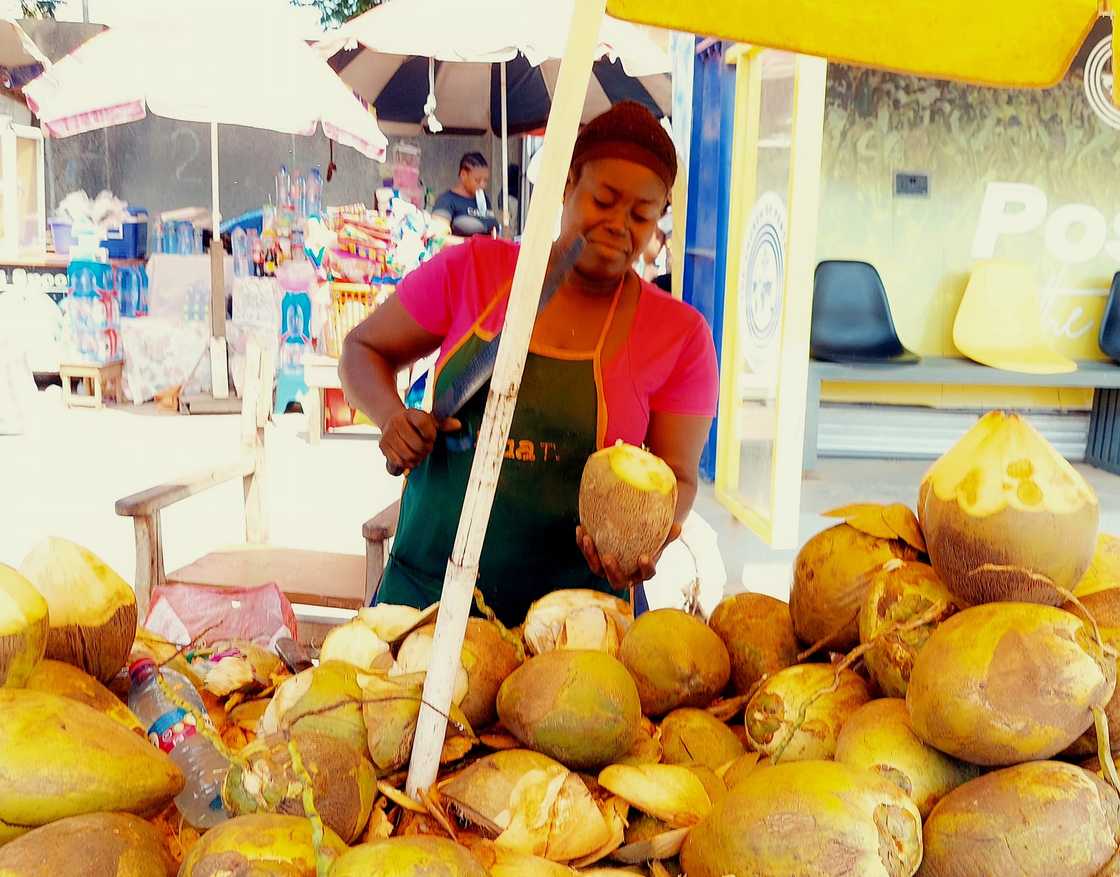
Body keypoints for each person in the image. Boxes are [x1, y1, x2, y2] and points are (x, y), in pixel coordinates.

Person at [340, 101, 718, 626]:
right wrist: (390, 416)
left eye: (640, 214)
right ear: (566, 185)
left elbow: (677, 479)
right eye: (603, 200)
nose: (616, 225)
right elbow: (362, 350)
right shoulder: (474, 270)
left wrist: (645, 543)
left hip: (576, 627)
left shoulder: (681, 336)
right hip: (427, 600)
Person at [432, 152, 499, 238]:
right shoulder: (447, 201)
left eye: (485, 180)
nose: (482, 185)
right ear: (463, 175)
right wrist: (472, 244)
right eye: (477, 180)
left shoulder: (484, 199)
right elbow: (438, 238)